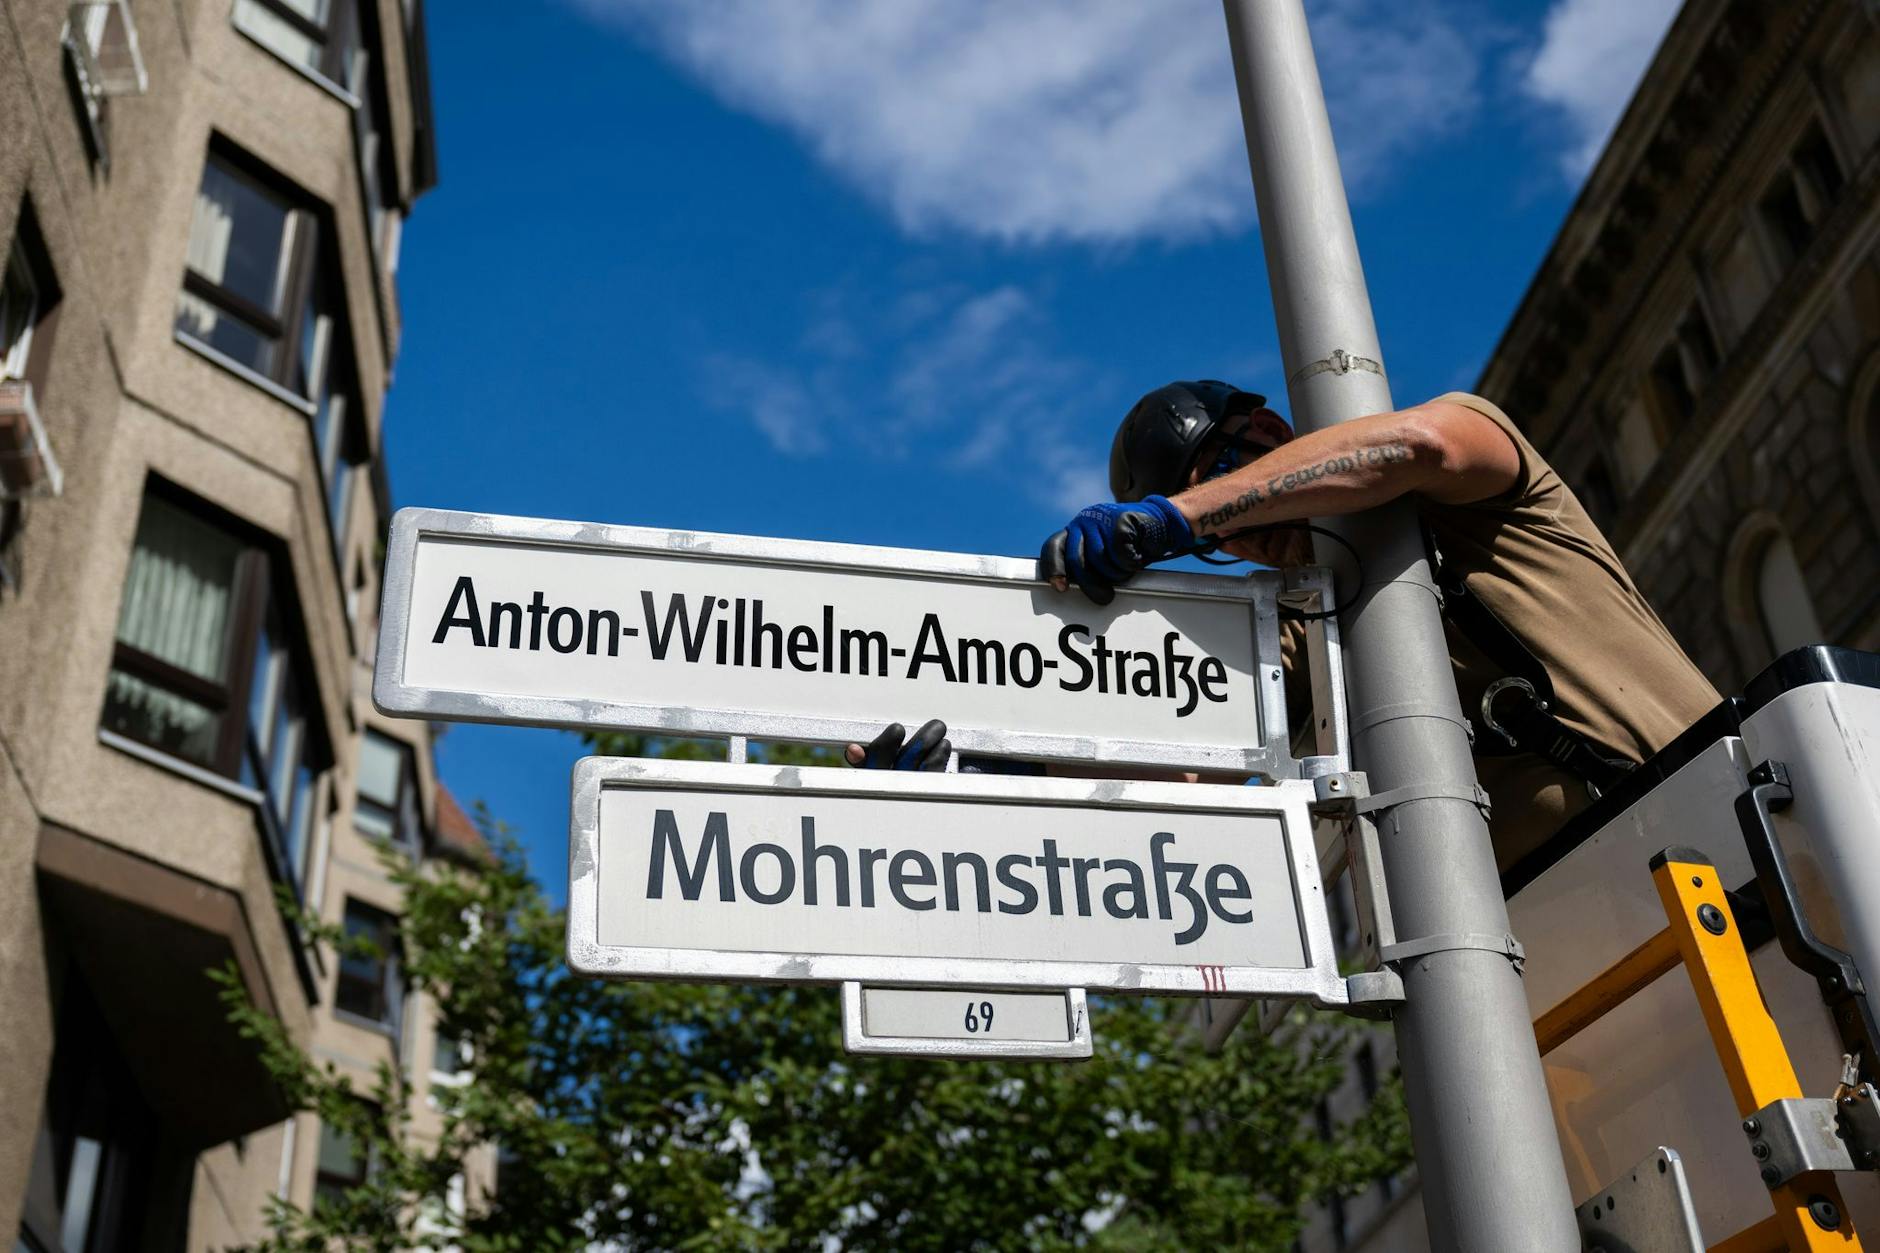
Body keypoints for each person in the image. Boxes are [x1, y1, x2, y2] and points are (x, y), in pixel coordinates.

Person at [851, 380, 1721, 874]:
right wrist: (985, 761)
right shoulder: (1307, 630)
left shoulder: (1479, 483)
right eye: (1220, 537)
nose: (1236, 537)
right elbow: (1185, 760)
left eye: (1225, 481)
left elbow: (1424, 446)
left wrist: (1182, 517)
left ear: (1265, 430)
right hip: (1577, 927)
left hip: (1723, 825)